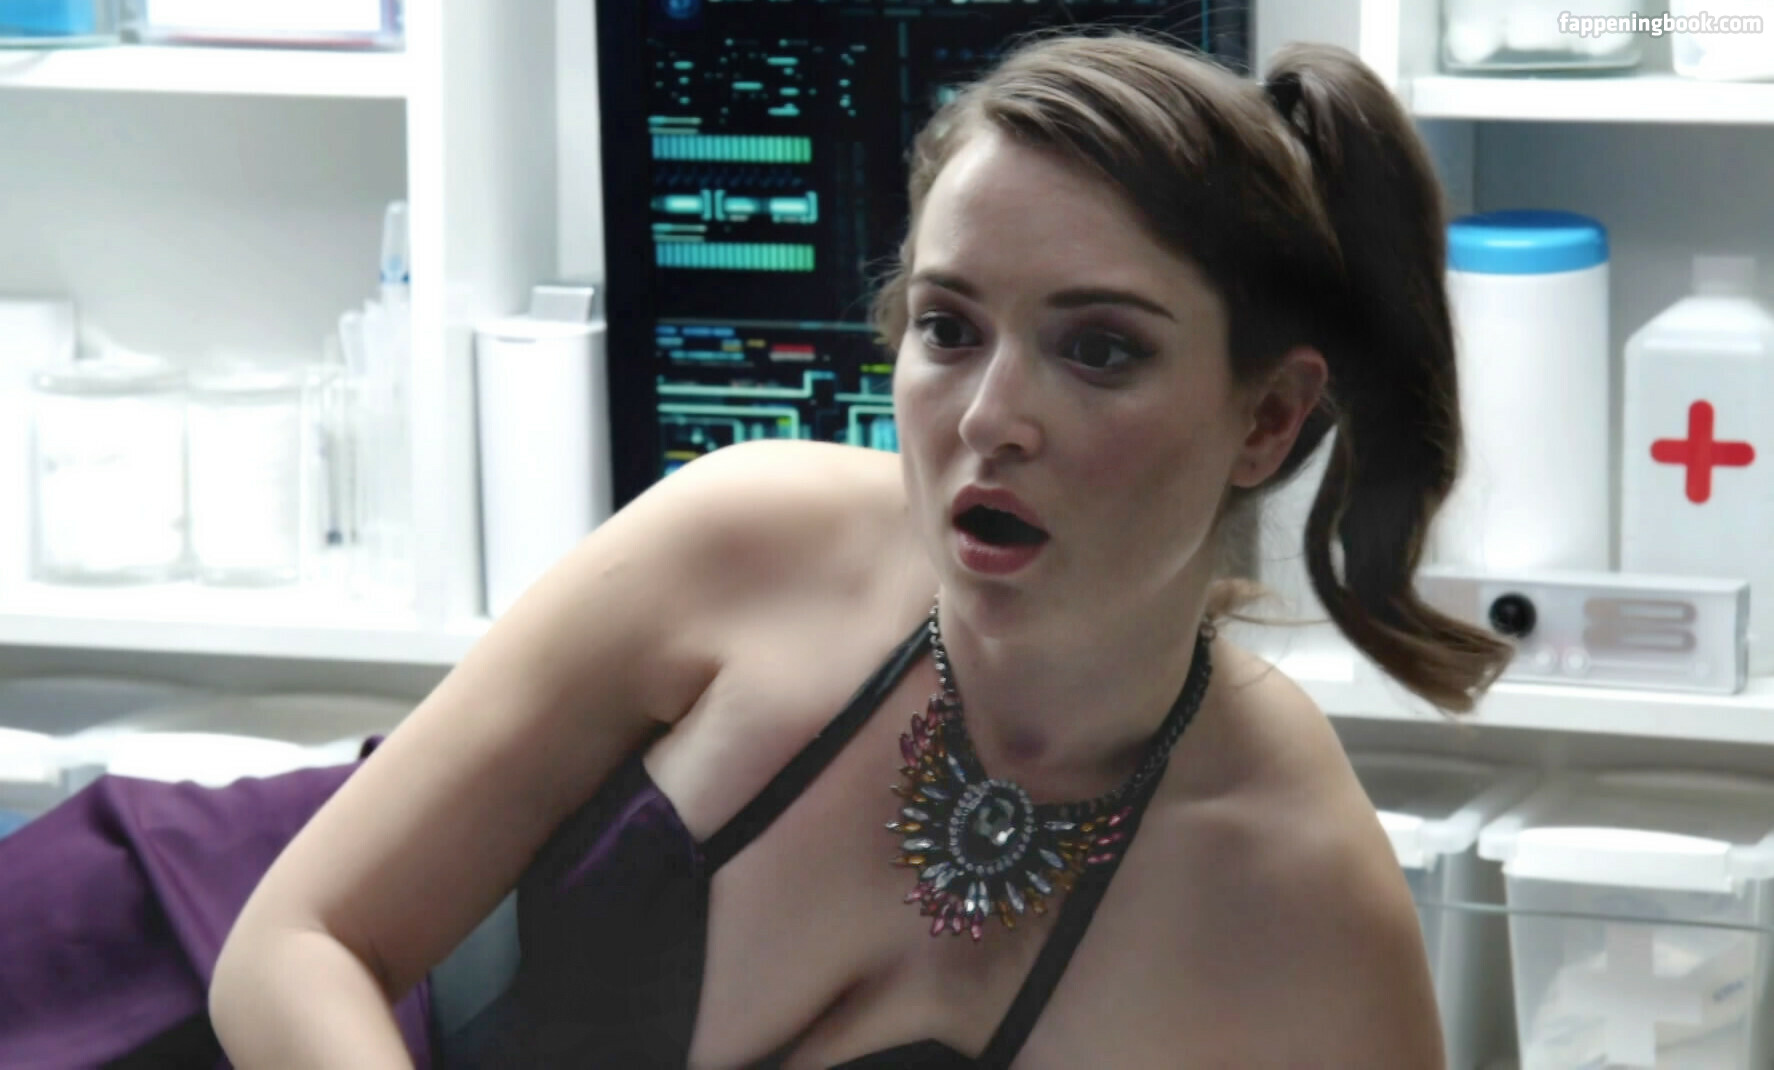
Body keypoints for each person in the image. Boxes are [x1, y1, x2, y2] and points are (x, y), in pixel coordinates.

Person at [190, 27, 1515, 1068]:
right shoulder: (750, 539)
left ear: (1266, 419)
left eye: (1100, 350)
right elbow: (298, 941)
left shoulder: (1297, 885)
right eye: (948, 329)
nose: (989, 417)